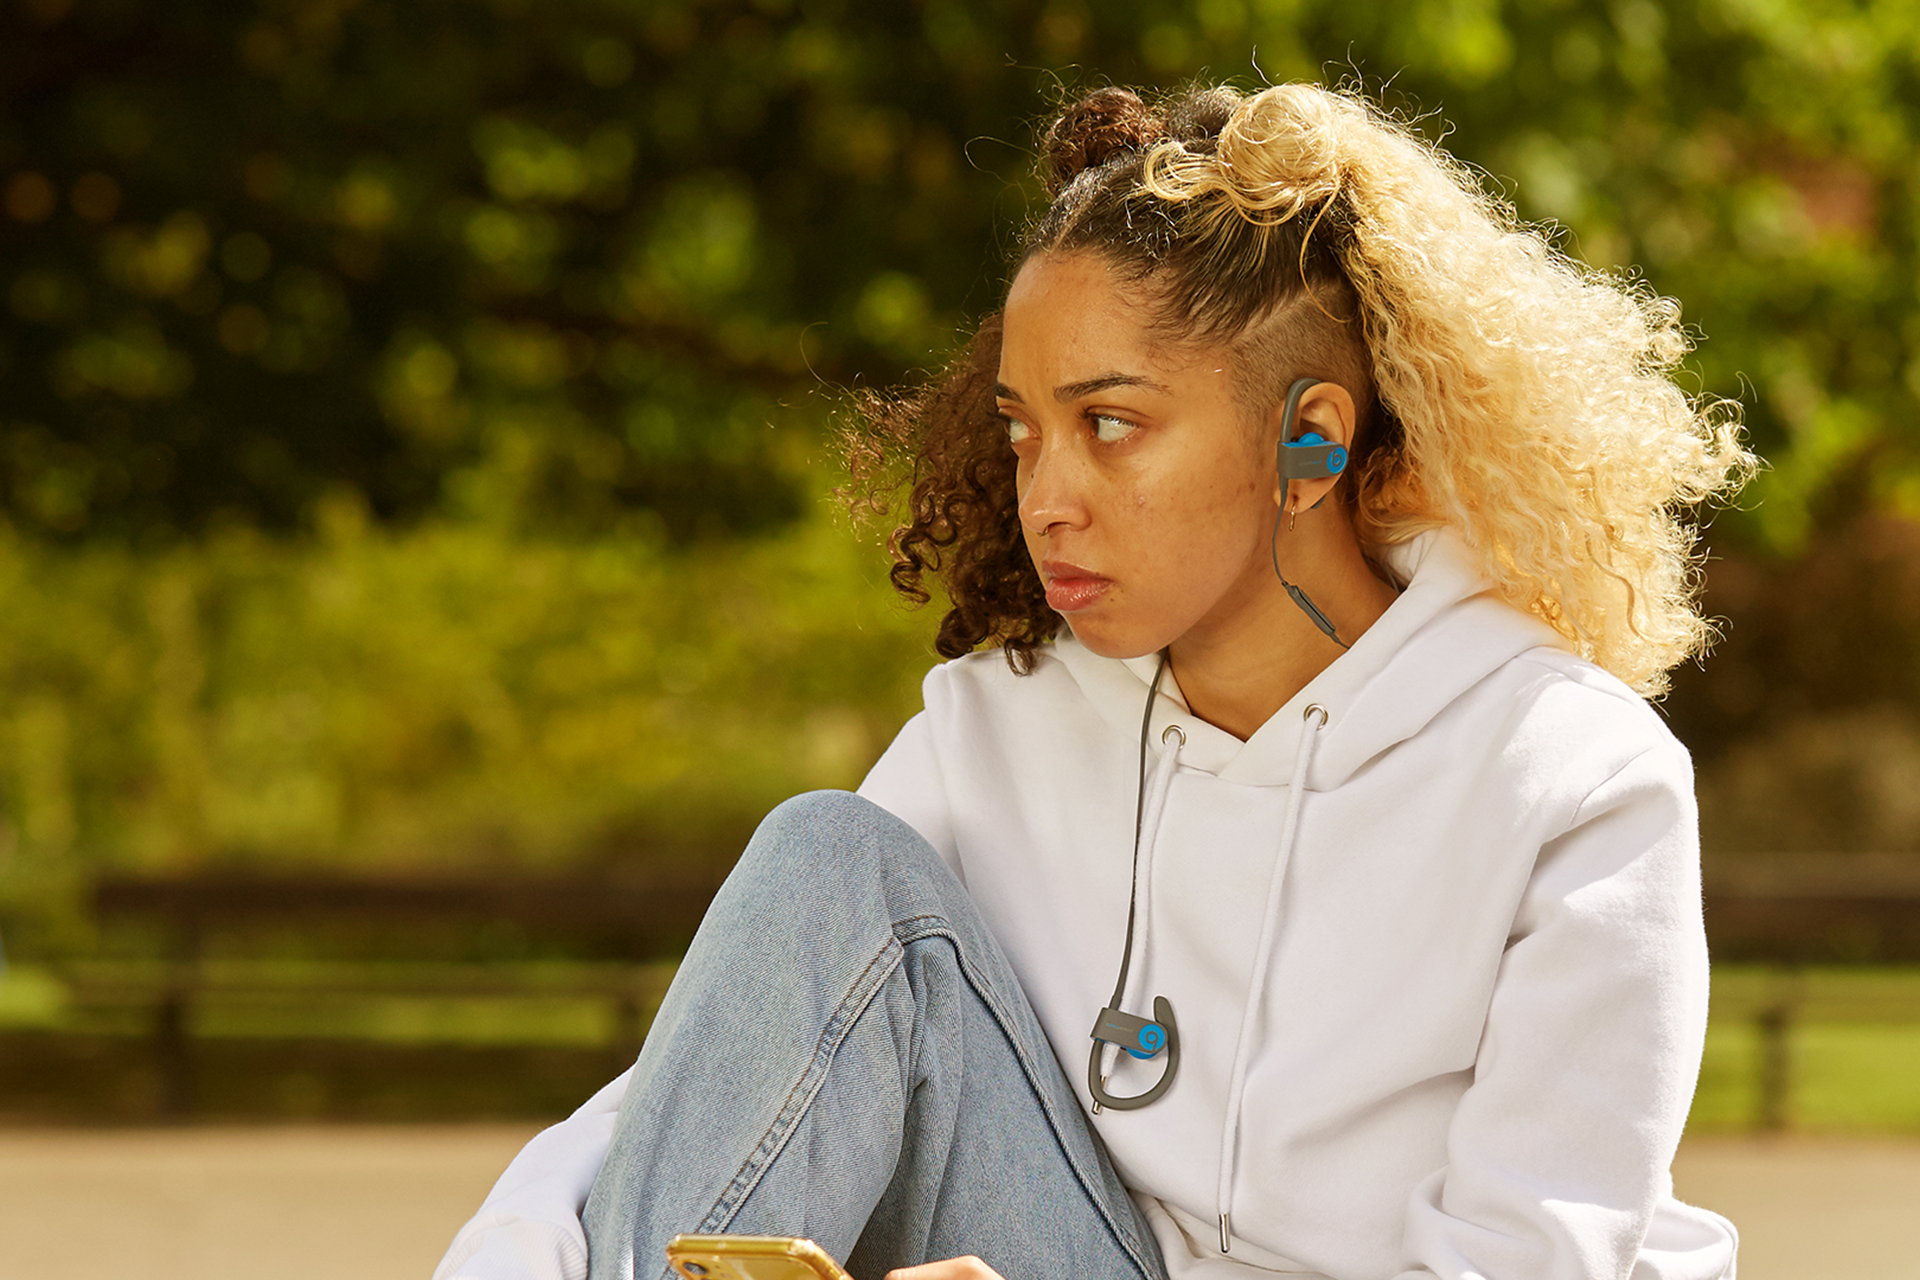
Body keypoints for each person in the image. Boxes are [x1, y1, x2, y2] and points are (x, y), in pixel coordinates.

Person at [435, 80, 1755, 1280]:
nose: (1045, 499)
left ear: (1310, 442)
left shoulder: (1573, 776)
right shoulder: (1000, 725)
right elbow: (726, 1075)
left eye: (1109, 426)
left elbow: (1528, 1262)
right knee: (822, 856)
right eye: (1024, 432)